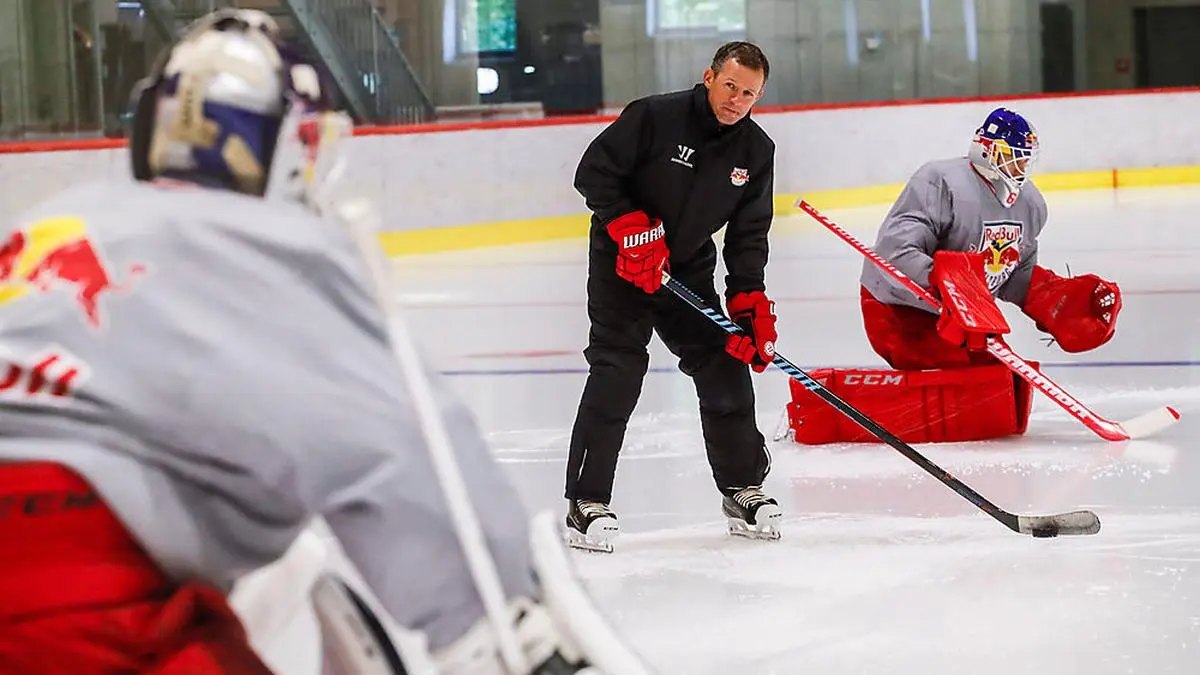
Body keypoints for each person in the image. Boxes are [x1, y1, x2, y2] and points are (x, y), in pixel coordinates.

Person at [0, 9, 644, 675]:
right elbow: (393, 443)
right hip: (74, 602)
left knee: (281, 568)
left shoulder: (56, 220)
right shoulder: (267, 244)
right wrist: (504, 622)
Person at [786, 107, 1123, 445]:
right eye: (1014, 159)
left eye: (1025, 161)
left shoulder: (1031, 204)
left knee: (1003, 381)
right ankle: (826, 412)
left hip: (966, 316)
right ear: (987, 151)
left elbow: (1011, 271)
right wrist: (951, 287)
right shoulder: (940, 181)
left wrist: (1050, 296)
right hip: (900, 308)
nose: (1020, 169)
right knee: (972, 380)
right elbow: (896, 252)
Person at [564, 41, 783, 553]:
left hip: (686, 269)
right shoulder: (654, 117)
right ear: (709, 77)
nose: (736, 100)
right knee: (618, 369)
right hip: (623, 263)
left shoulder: (756, 151)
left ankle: (742, 488)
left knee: (724, 361)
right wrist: (628, 225)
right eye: (730, 86)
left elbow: (749, 235)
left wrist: (748, 300)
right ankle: (585, 501)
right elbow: (593, 173)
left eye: (748, 94)